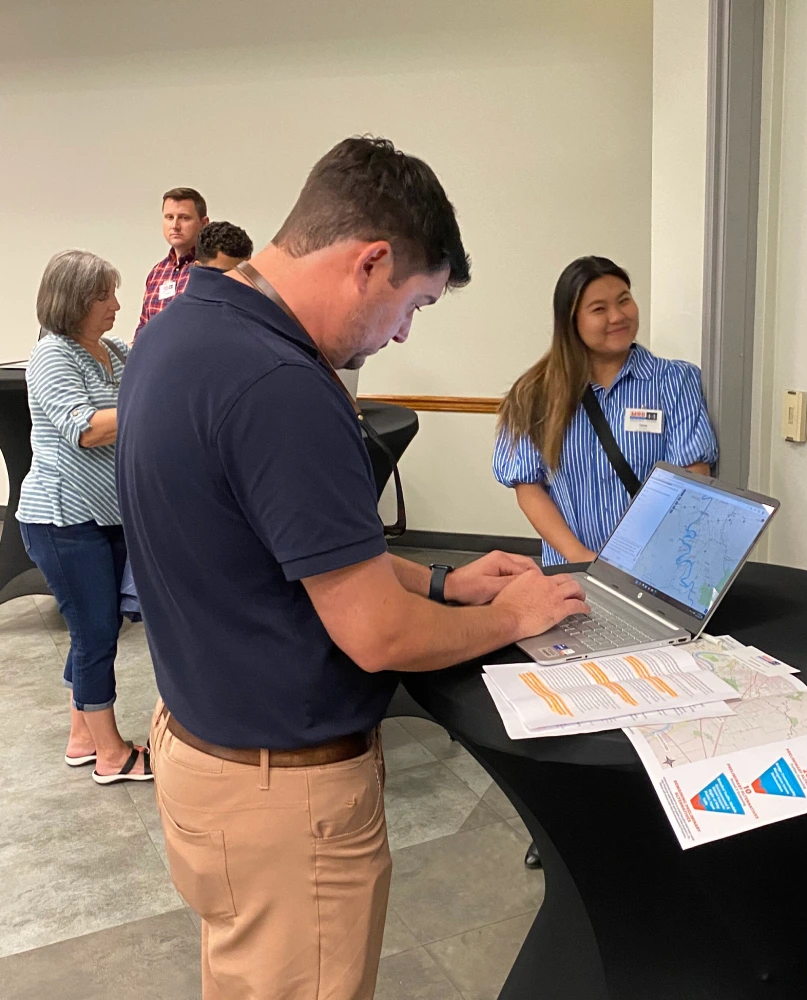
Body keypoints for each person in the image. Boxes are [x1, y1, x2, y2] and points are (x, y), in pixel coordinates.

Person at [116, 136, 588, 1000]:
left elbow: (299, 557)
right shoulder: (284, 387)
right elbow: (378, 634)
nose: (403, 332)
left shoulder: (181, 324)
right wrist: (516, 616)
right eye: (414, 303)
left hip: (200, 754)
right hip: (282, 800)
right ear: (370, 261)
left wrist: (445, 583)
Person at [493, 255, 718, 868]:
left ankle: (651, 821)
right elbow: (527, 484)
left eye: (624, 299)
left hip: (657, 580)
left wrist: (658, 561)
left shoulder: (675, 380)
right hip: (569, 577)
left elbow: (692, 478)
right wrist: (581, 560)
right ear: (571, 319)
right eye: (600, 306)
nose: (619, 315)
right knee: (576, 705)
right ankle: (563, 831)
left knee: (656, 702)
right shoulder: (538, 391)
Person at [17, 250, 152, 785]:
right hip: (60, 519)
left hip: (104, 516)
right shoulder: (53, 356)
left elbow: (156, 370)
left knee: (95, 630)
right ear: (72, 301)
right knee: (95, 633)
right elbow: (87, 428)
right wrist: (157, 406)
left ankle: (82, 737)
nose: (116, 305)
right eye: (104, 296)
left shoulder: (113, 351)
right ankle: (110, 755)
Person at [135, 186, 208, 335]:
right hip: (156, 357)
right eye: (169, 217)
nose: (175, 226)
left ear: (203, 223)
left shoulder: (212, 269)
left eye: (184, 218)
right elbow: (143, 329)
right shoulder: (157, 273)